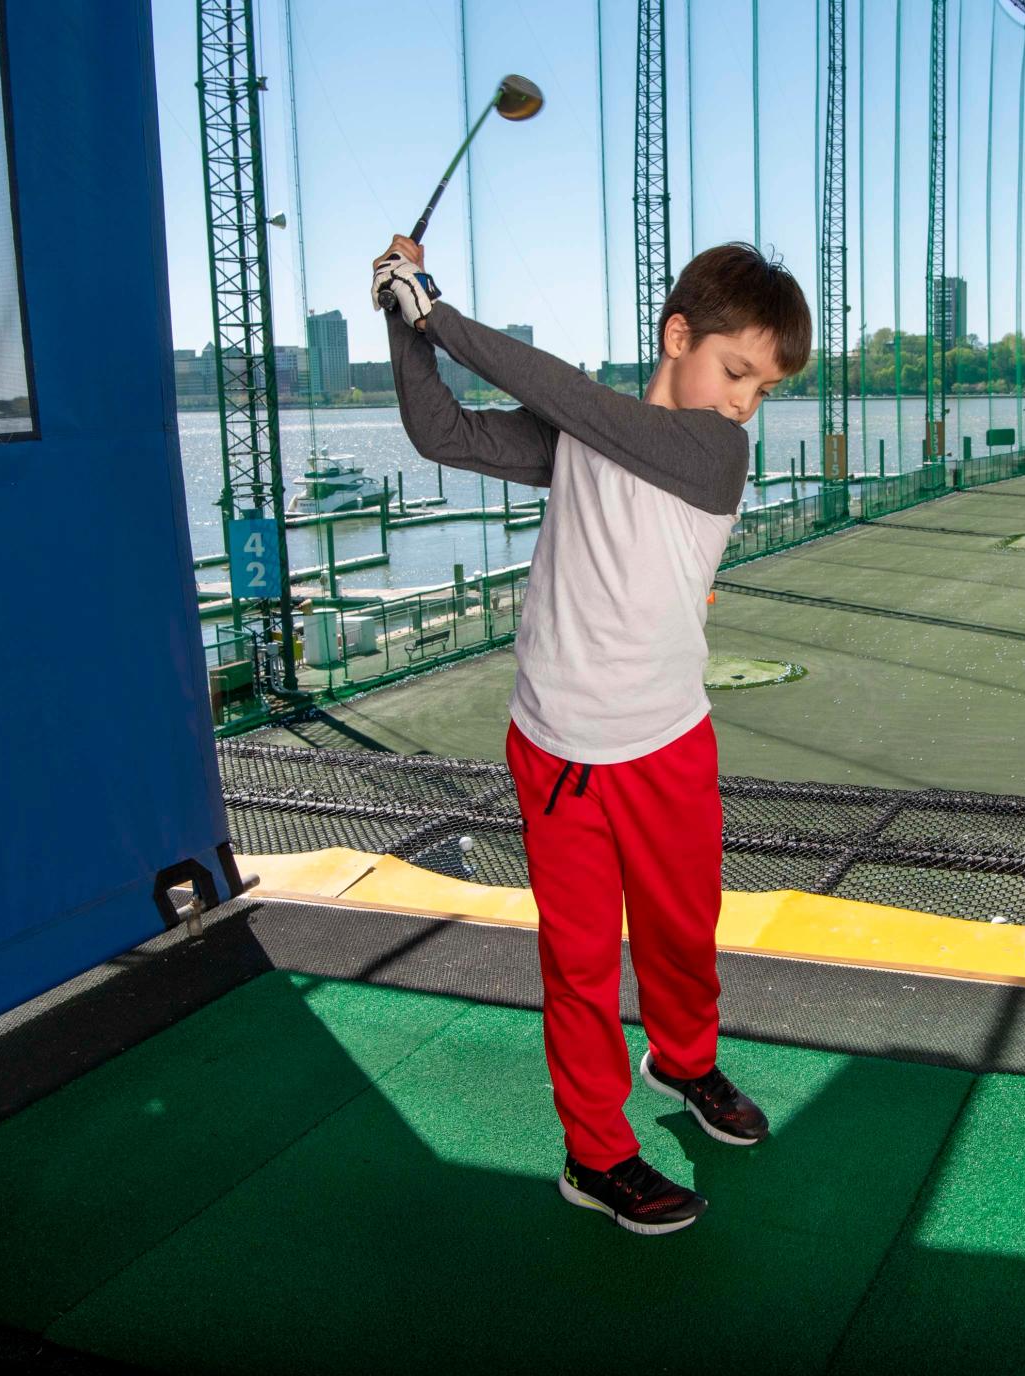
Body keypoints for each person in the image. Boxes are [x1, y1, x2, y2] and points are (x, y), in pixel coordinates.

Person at [372, 235, 811, 1236]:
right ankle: (598, 1154)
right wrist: (405, 323)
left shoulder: (714, 450)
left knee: (679, 933)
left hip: (666, 742)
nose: (748, 402)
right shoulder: (588, 432)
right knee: (576, 965)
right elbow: (441, 432)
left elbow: (574, 399)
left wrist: (435, 306)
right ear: (678, 335)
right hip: (560, 747)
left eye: (765, 387)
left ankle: (686, 1058)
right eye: (737, 371)